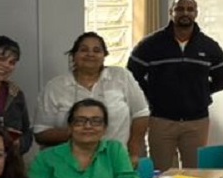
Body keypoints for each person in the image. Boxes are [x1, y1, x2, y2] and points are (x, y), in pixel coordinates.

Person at [128, 0, 223, 171]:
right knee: (161, 174)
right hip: (161, 120)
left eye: (190, 9)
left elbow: (222, 80)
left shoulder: (209, 46)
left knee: (195, 175)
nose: (185, 13)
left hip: (196, 122)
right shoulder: (150, 44)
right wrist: (152, 95)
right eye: (180, 9)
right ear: (171, 12)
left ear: (196, 13)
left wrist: (199, 92)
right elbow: (131, 77)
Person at [35, 32, 150, 163]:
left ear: (104, 56)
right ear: (73, 55)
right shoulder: (55, 86)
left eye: (97, 50)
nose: (90, 54)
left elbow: (141, 114)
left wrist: (133, 153)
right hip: (69, 163)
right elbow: (40, 132)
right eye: (84, 50)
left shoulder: (121, 76)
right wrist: (75, 133)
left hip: (116, 160)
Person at [28, 98, 143, 178]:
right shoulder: (45, 158)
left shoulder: (114, 149)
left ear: (105, 128)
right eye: (80, 121)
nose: (88, 126)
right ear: (70, 127)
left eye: (96, 121)